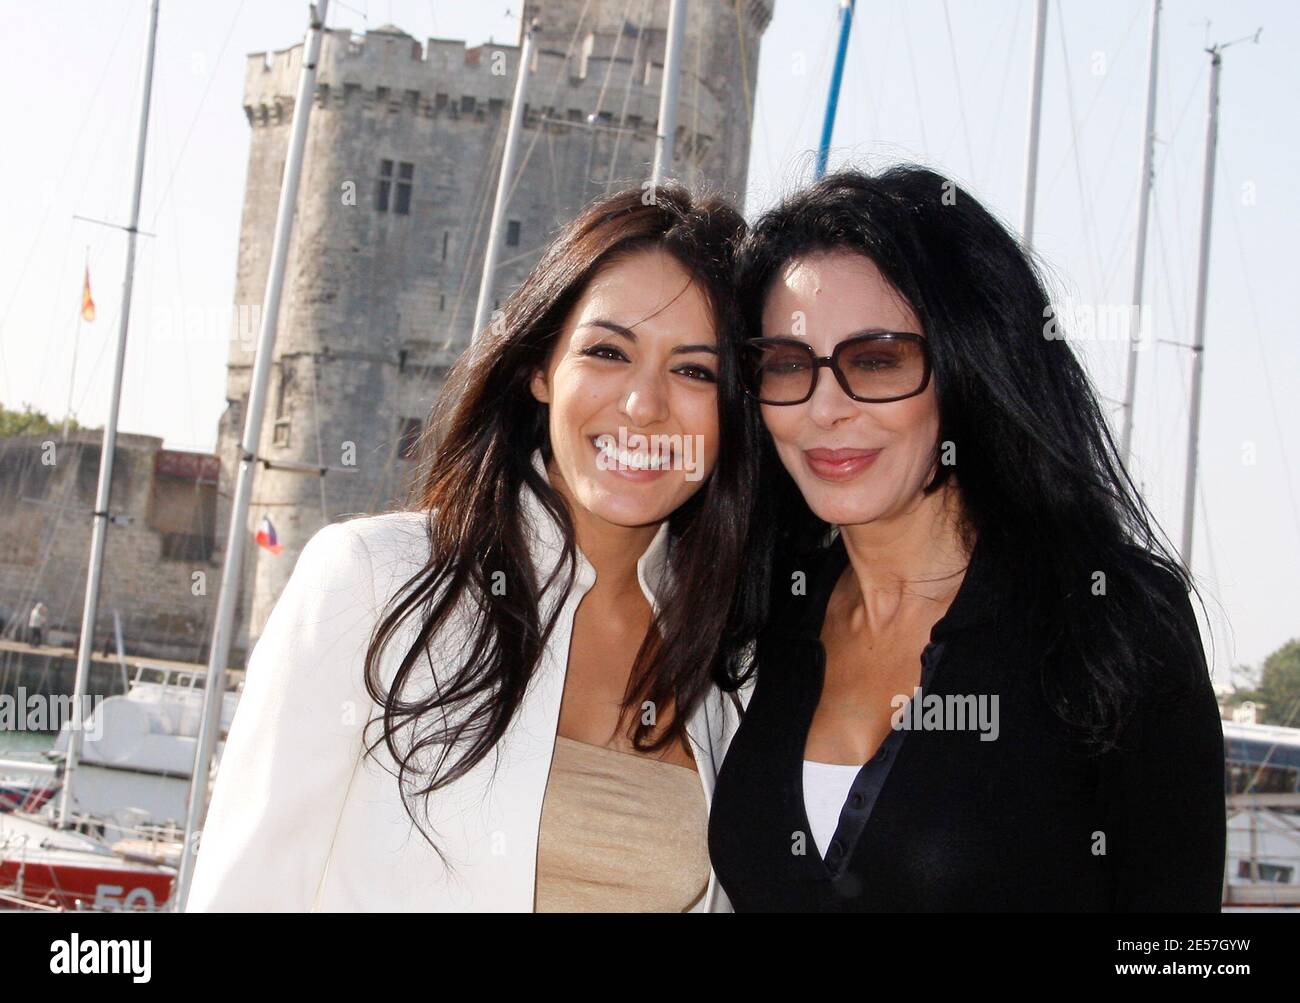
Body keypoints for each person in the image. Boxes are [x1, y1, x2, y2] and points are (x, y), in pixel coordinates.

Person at [187, 185, 764, 912]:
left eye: (694, 370)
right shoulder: (373, 581)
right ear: (541, 369)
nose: (644, 403)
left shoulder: (727, 664)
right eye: (608, 351)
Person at [708, 166, 1226, 912]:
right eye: (787, 365)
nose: (824, 408)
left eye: (876, 359)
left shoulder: (1108, 621)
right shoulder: (762, 616)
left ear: (966, 366)